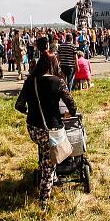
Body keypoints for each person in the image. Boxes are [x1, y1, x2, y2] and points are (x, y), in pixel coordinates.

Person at [14, 38, 77, 210]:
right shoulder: (58, 82)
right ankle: (43, 200)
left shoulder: (30, 80)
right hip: (52, 129)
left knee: (44, 150)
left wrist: (31, 111)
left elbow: (19, 105)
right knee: (49, 162)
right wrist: (67, 114)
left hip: (34, 128)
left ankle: (47, 173)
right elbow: (72, 105)